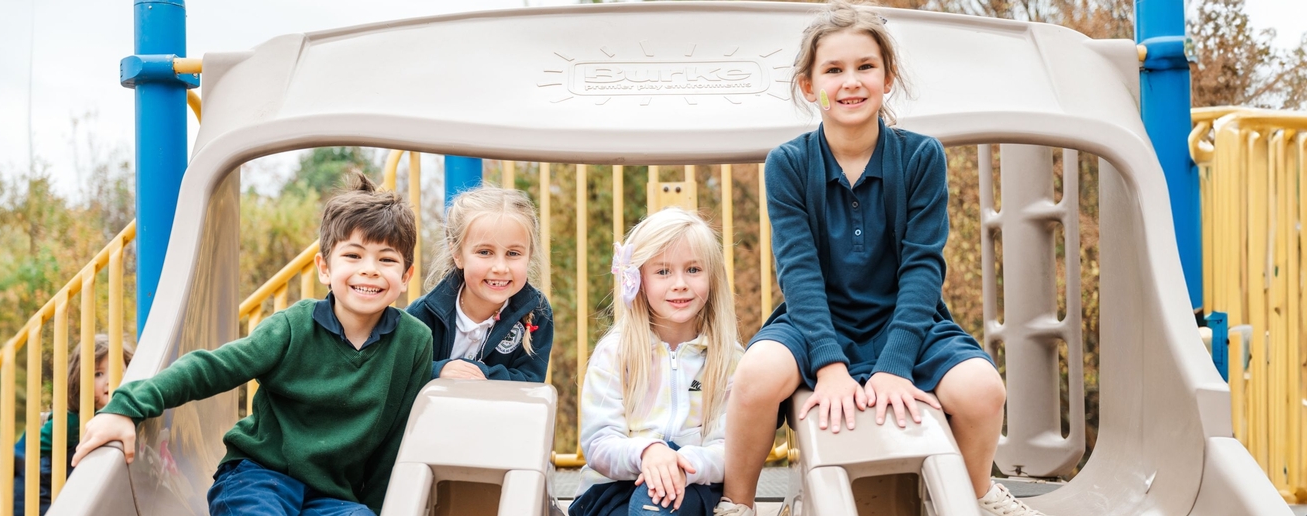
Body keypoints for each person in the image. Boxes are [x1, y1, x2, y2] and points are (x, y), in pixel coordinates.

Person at [713, 3, 1042, 515]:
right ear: (808, 85)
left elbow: (922, 266)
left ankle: (975, 494)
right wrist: (828, 365)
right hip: (814, 320)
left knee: (983, 390)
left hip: (905, 320)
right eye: (833, 70)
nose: (851, 82)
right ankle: (739, 504)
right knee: (755, 376)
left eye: (866, 67)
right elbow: (798, 271)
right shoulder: (789, 164)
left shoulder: (921, 157)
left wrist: (895, 365)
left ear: (888, 78)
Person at [71, 172, 433, 516]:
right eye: (353, 255)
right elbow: (213, 368)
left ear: (405, 277)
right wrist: (125, 407)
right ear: (324, 268)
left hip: (331, 498)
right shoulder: (293, 328)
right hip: (259, 476)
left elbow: (395, 441)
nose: (370, 269)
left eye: (386, 260)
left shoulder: (414, 342)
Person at [570, 207, 744, 516]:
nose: (679, 283)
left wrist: (684, 465)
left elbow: (731, 446)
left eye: (693, 270)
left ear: (712, 277)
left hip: (691, 483)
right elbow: (599, 442)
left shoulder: (728, 357)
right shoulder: (615, 352)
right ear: (638, 279)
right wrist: (648, 452)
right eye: (663, 272)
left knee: (660, 503)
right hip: (615, 486)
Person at [407, 186, 554, 382]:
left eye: (513, 253)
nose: (500, 267)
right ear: (457, 254)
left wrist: (481, 375)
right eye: (485, 252)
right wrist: (438, 370)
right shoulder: (422, 315)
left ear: (529, 255)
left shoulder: (537, 313)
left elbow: (530, 381)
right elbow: (399, 371)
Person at [4, 336, 133, 516]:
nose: (110, 381)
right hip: (41, 496)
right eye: (98, 374)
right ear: (80, 380)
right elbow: (23, 450)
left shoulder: (127, 419)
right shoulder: (72, 422)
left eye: (119, 371)